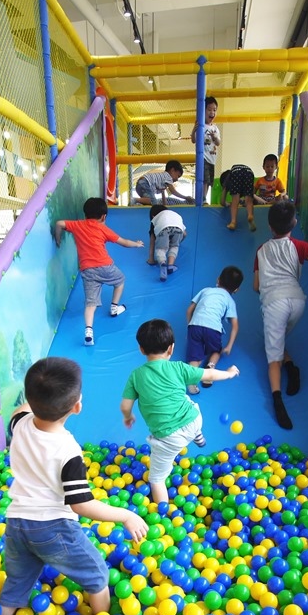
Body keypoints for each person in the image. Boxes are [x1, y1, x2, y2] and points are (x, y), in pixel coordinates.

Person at [0, 357, 148, 615]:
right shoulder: (67, 450)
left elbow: (19, 410)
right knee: (97, 575)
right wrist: (125, 515)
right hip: (52, 528)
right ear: (77, 407)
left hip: (17, 523)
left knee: (17, 582)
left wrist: (36, 393)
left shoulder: (19, 423)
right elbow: (81, 504)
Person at [120, 319, 239, 504]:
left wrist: (128, 417)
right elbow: (210, 374)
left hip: (169, 438)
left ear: (141, 350)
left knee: (156, 479)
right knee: (182, 400)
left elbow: (125, 406)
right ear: (171, 348)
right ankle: (197, 435)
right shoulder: (179, 367)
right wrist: (230, 373)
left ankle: (163, 515)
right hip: (194, 420)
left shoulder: (136, 375)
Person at [254, 199, 308, 430]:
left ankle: (277, 400)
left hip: (274, 304)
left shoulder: (261, 251)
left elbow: (256, 286)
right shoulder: (300, 246)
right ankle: (292, 368)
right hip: (298, 302)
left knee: (272, 355)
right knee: (279, 337)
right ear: (294, 223)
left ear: (270, 227)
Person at [53, 197, 143, 346]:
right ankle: (114, 307)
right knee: (120, 281)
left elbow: (59, 223)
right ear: (104, 216)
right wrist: (137, 244)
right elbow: (124, 242)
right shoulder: (103, 228)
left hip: (87, 270)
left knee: (90, 303)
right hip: (105, 266)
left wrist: (57, 238)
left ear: (85, 214)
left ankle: (88, 332)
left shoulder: (77, 225)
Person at [185, 265, 243, 395]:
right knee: (216, 350)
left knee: (194, 356)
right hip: (213, 329)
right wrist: (229, 346)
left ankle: (192, 378)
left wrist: (189, 328)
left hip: (195, 326)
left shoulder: (205, 290)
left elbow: (189, 310)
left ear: (218, 279)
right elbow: (235, 325)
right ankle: (210, 367)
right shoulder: (229, 300)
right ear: (237, 289)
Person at [191, 96, 220, 203]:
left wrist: (214, 137)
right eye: (209, 109)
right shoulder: (200, 126)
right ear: (203, 111)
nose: (212, 112)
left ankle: (204, 197)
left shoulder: (215, 128)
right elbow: (193, 140)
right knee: (204, 179)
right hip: (203, 157)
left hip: (212, 159)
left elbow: (218, 143)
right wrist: (194, 129)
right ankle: (202, 198)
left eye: (214, 110)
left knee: (209, 181)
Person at [146, 205, 186, 281]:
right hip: (178, 228)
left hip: (163, 228)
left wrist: (151, 259)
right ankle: (170, 265)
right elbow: (184, 234)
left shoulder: (155, 219)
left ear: (153, 216)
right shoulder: (172, 214)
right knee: (174, 246)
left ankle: (162, 263)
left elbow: (152, 242)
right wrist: (178, 242)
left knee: (161, 249)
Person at [220, 166, 257, 232]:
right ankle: (250, 215)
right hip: (249, 172)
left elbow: (222, 202)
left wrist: (226, 203)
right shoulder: (242, 185)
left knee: (235, 200)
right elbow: (251, 193)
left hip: (235, 171)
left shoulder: (228, 180)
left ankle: (233, 222)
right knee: (248, 200)